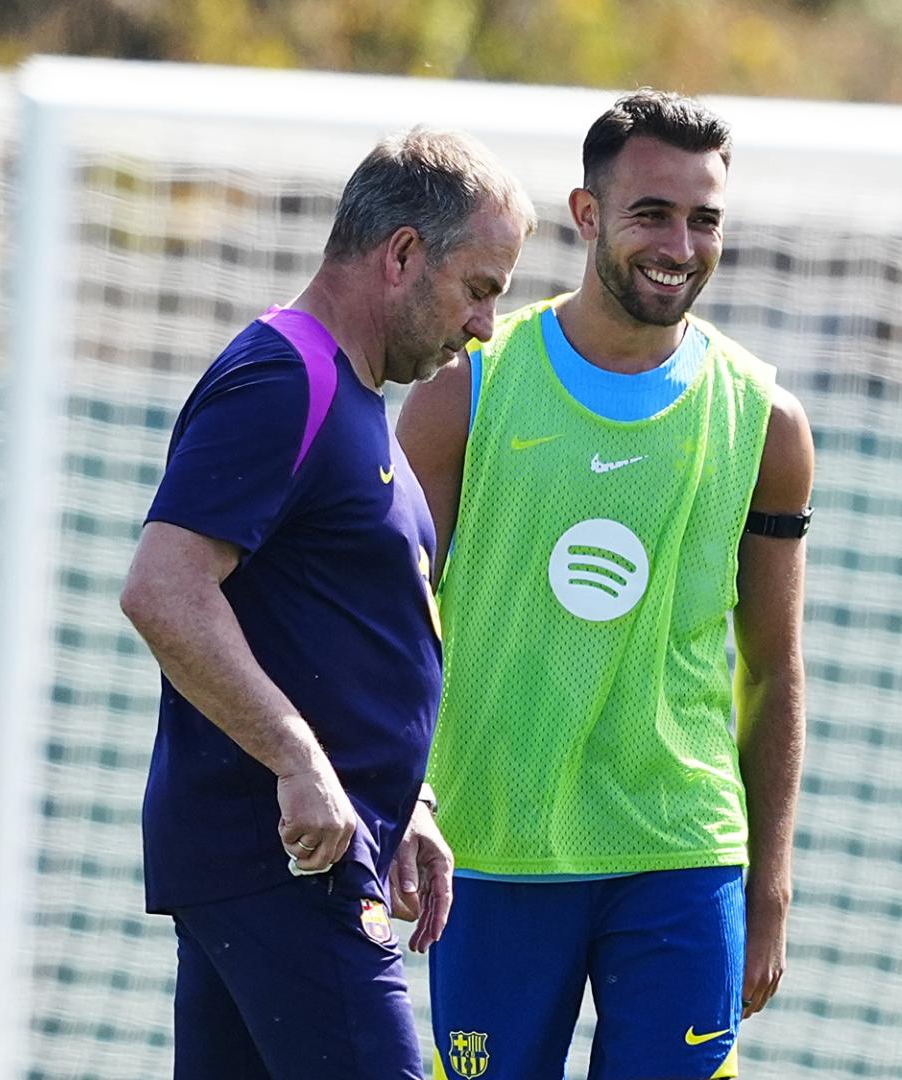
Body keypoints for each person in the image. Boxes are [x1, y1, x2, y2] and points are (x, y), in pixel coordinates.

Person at [397, 89, 813, 1080]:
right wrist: (398, 798)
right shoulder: (468, 391)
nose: (680, 243)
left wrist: (770, 883)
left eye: (703, 218)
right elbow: (389, 625)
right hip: (494, 848)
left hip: (680, 849)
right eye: (651, 214)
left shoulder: (766, 422)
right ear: (587, 216)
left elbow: (774, 668)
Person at [120, 127, 536, 1080]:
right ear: (400, 255)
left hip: (286, 858)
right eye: (480, 289)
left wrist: (408, 801)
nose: (482, 327)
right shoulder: (283, 380)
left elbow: (337, 627)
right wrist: (301, 761)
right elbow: (162, 587)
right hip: (287, 865)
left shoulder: (347, 397)